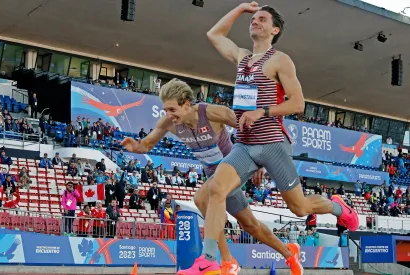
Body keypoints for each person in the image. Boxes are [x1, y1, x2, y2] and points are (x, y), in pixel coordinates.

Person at [177, 2, 360, 274]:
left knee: (299, 207)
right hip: (244, 144)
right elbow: (214, 35)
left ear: (274, 30)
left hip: (272, 143)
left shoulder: (280, 60)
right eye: (254, 18)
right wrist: (240, 9)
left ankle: (337, 207)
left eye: (262, 19)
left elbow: (298, 104)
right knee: (216, 190)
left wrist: (263, 111)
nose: (256, 22)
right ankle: (210, 260)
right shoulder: (241, 57)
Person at [122, 78, 300, 275]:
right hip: (214, 178)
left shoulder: (213, 113)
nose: (168, 115)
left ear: (188, 104)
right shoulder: (169, 123)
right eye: (166, 110)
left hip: (234, 169)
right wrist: (136, 147)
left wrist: (261, 163)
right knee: (250, 225)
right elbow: (147, 144)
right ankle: (290, 253)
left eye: (172, 110)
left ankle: (225, 261)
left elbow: (253, 129)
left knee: (200, 199)